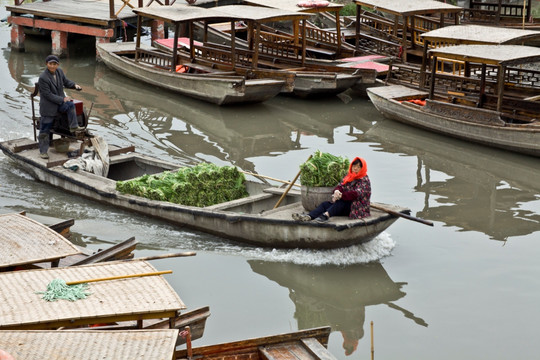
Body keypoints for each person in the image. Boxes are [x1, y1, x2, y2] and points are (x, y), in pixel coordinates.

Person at [292, 157, 371, 222]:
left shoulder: (364, 180)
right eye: (354, 166)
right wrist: (337, 191)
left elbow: (355, 194)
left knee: (341, 202)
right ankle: (309, 216)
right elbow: (340, 185)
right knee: (325, 204)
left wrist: (341, 196)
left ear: (362, 168)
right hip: (345, 203)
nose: (355, 168)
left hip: (356, 207)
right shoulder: (349, 176)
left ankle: (325, 216)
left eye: (358, 167)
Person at [37, 54, 84, 159]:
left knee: (70, 105)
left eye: (55, 64)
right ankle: (43, 151)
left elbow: (66, 82)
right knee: (45, 131)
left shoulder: (59, 72)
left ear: (57, 65)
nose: (53, 66)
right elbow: (47, 95)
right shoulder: (43, 78)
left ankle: (73, 127)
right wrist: (62, 99)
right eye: (50, 64)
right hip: (48, 108)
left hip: (59, 104)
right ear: (46, 64)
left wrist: (74, 85)